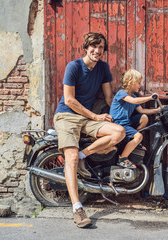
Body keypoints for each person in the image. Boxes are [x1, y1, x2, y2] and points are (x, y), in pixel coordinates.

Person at [53, 32, 125, 228]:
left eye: (101, 47)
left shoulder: (103, 67)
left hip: (87, 118)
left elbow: (109, 98)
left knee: (119, 132)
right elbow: (69, 100)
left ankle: (85, 155)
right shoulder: (73, 67)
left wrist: (126, 113)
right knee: (71, 157)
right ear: (86, 47)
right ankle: (77, 208)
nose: (97, 50)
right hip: (67, 116)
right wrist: (94, 116)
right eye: (93, 46)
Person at [109, 69, 161, 168]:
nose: (140, 85)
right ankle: (122, 158)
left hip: (127, 123)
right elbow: (133, 101)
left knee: (144, 118)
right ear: (130, 83)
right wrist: (150, 98)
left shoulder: (133, 95)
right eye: (138, 83)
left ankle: (132, 140)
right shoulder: (121, 93)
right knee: (138, 137)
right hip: (118, 124)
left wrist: (157, 110)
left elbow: (142, 111)